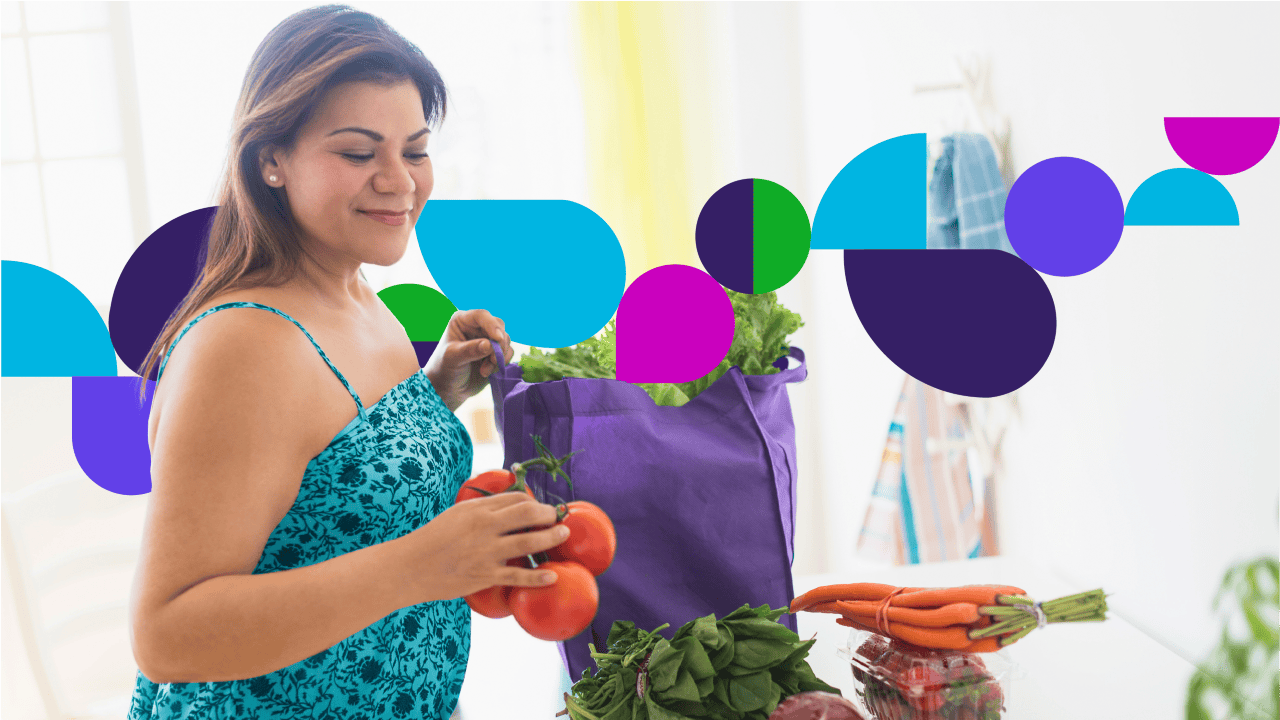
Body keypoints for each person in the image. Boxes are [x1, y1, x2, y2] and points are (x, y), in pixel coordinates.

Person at [127, 6, 565, 718]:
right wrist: (425, 564)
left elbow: (326, 482)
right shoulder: (241, 344)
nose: (399, 181)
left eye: (415, 150)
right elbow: (168, 634)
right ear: (270, 159)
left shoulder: (358, 292)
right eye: (359, 153)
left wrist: (432, 393)